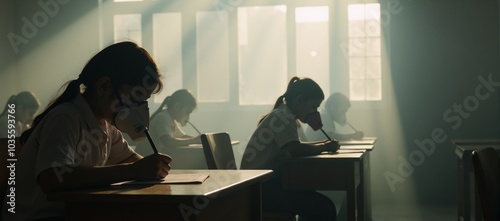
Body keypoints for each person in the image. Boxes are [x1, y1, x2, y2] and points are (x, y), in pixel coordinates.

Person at [2, 41, 172, 221]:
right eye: (135, 98)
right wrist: (133, 171)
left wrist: (154, 167)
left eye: (144, 101)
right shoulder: (66, 118)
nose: (140, 109)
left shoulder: (106, 126)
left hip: (74, 213)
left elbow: (130, 160)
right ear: (104, 86)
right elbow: (52, 178)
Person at [240, 76, 339, 221]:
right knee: (322, 208)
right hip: (259, 190)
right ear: (299, 100)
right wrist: (324, 146)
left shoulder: (286, 115)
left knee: (327, 205)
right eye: (313, 106)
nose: (315, 111)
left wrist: (323, 144)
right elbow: (295, 149)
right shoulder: (282, 117)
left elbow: (294, 147)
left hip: (267, 185)